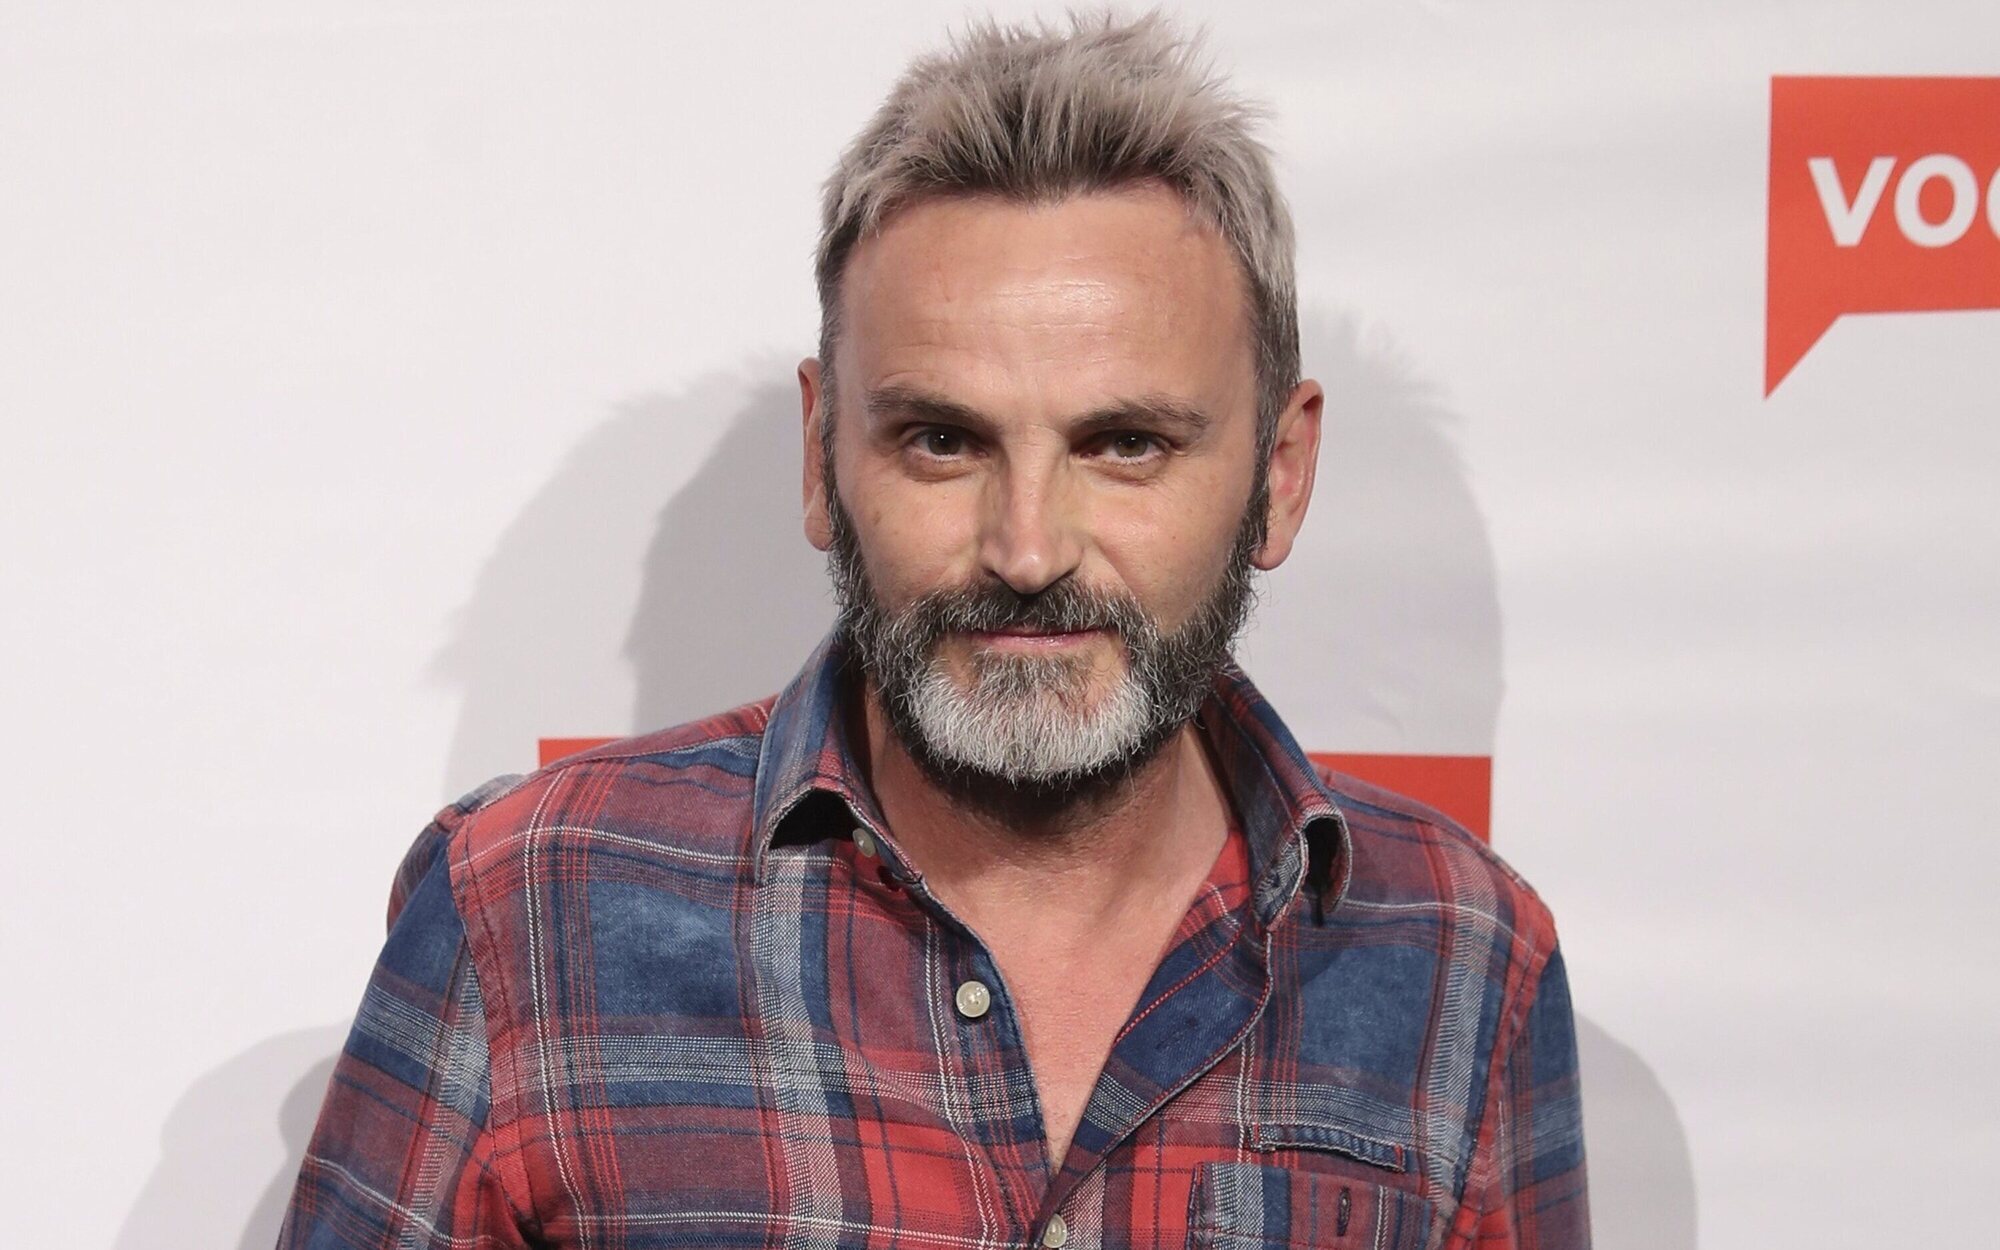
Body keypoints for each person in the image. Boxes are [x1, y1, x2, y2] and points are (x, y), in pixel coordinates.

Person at [279, 12, 1588, 1249]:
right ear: (821, 454)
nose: (1027, 549)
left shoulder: (1464, 957)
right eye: (943, 440)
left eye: (1127, 445)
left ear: (1280, 476)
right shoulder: (527, 909)